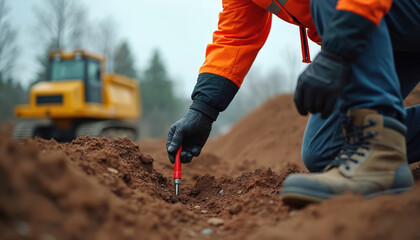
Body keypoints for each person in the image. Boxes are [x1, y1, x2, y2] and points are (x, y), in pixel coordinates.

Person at [166, 0, 420, 205]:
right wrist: (202, 110)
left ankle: (381, 151)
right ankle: (377, 146)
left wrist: (336, 53)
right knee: (325, 149)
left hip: (390, 12)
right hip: (378, 31)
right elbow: (236, 36)